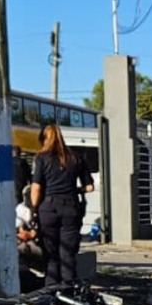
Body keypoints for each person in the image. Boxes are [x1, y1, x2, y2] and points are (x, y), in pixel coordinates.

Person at [30, 123, 94, 286]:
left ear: (44, 139)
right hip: (70, 208)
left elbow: (36, 188)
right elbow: (89, 187)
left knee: (51, 257)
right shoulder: (75, 158)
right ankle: (69, 292)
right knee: (68, 255)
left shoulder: (41, 158)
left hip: (48, 208)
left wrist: (33, 209)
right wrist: (75, 190)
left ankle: (51, 292)